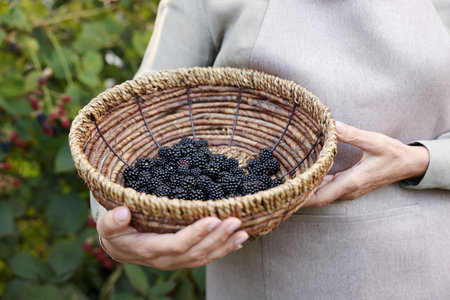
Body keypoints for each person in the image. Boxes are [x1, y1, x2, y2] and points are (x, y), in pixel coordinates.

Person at [93, 0, 450, 298]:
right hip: (268, 277)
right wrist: (118, 228)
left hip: (429, 268)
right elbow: (137, 117)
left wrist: (420, 159)